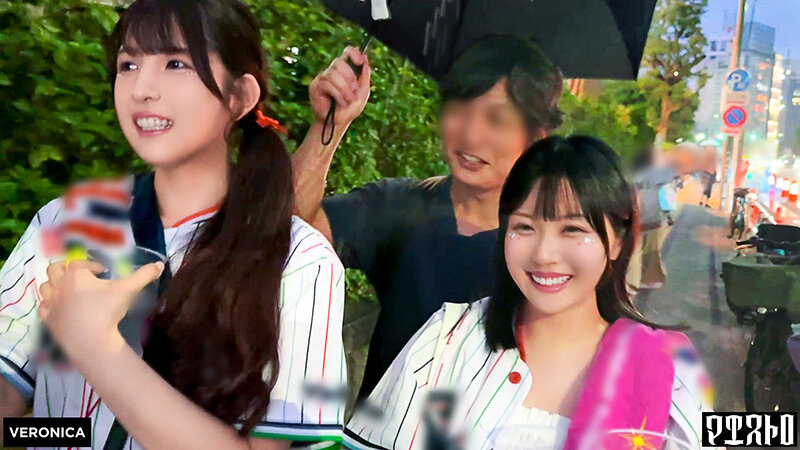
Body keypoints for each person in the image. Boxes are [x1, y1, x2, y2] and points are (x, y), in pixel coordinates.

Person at [0, 1, 346, 448]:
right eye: (128, 65)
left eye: (176, 63)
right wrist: (56, 437)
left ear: (240, 97)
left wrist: (96, 348)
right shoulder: (66, 220)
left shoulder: (300, 261)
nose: (142, 89)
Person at [343, 136, 713, 450]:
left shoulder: (670, 369)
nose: (544, 254)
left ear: (617, 241)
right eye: (524, 227)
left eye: (572, 229)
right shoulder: (446, 341)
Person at [292, 35, 563, 399]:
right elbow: (291, 234)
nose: (470, 134)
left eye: (496, 119)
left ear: (537, 137)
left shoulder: (550, 254)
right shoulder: (398, 206)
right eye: (460, 109)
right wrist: (328, 125)